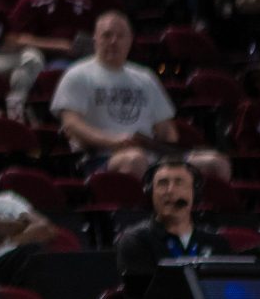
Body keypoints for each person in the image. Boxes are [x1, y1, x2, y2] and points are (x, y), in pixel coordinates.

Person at [52, 10, 230, 184]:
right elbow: (71, 124)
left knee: (216, 163)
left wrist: (164, 146)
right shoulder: (77, 74)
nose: (114, 41)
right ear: (95, 39)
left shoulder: (145, 77)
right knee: (135, 160)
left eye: (120, 36)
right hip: (103, 157)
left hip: (152, 156)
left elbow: (167, 132)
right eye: (107, 35)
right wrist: (114, 141)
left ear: (130, 40)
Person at [110, 159, 225, 284]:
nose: (170, 190)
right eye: (162, 183)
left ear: (194, 193)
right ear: (150, 192)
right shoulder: (136, 240)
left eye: (179, 183)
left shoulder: (216, 242)